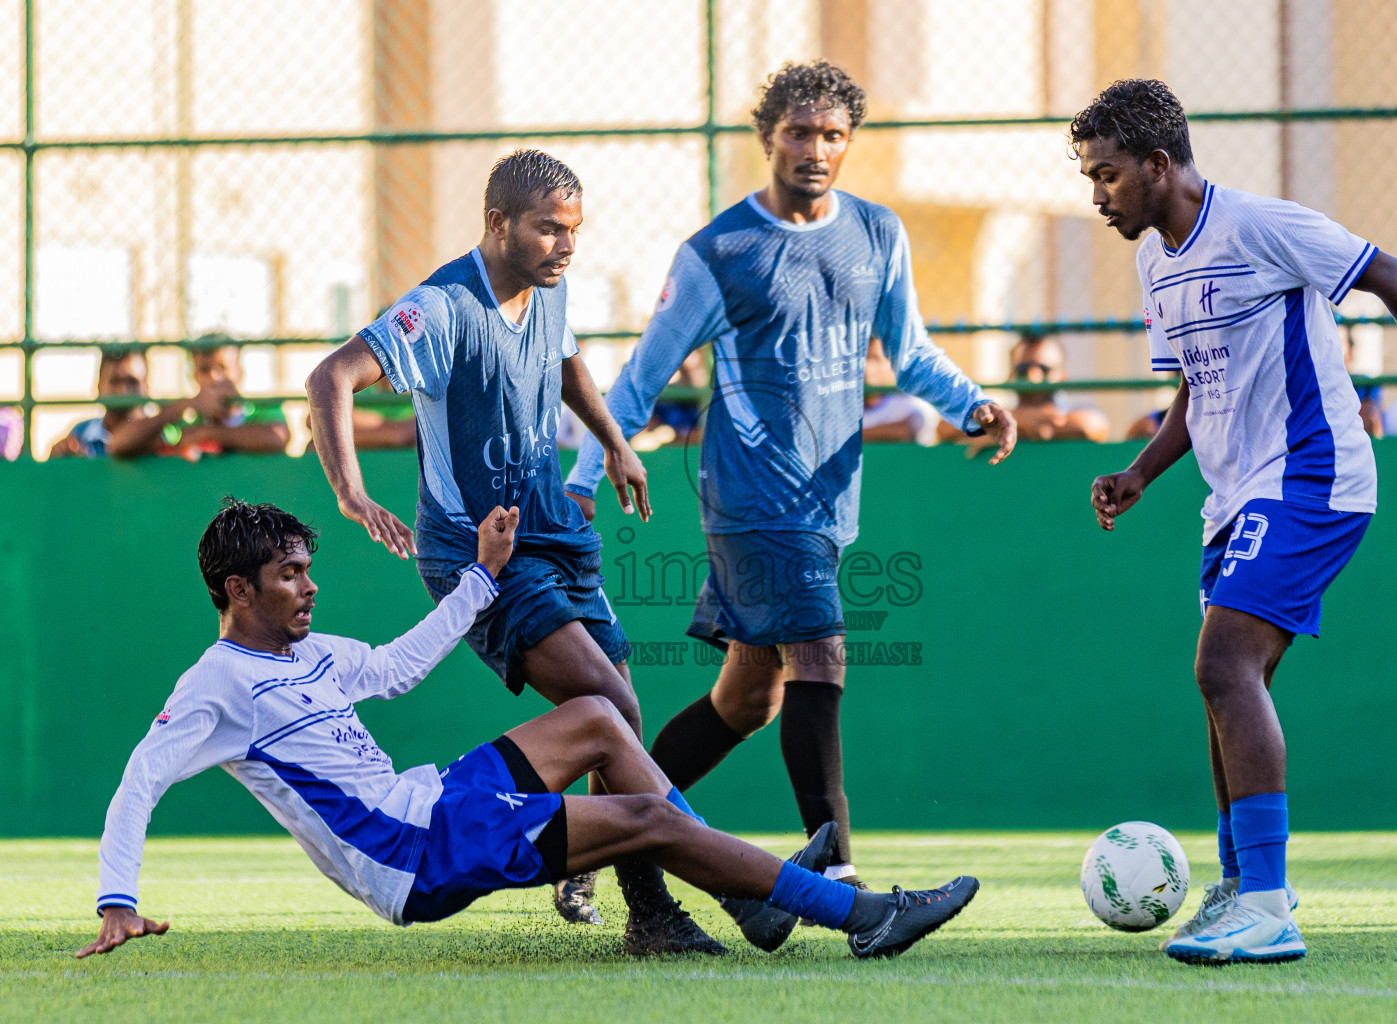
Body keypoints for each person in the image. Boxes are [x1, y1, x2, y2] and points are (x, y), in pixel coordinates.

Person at [79, 499, 977, 961]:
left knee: (595, 716)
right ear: (239, 591)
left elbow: (393, 668)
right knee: (653, 821)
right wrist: (117, 901)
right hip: (413, 854)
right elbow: (138, 781)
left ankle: (750, 896)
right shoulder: (215, 685)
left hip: (428, 800)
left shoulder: (310, 650)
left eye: (308, 571)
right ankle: (860, 915)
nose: (309, 587)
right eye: (290, 576)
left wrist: (483, 575)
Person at [1073, 79, 1397, 965]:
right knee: (1226, 683)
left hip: (1315, 474)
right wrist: (1141, 474)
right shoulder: (1155, 260)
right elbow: (1197, 386)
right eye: (1090, 176)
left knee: (1224, 664)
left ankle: (1269, 904)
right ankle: (1240, 887)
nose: (1097, 194)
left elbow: (1394, 275)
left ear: (1159, 165)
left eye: (1108, 175)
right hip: (1231, 498)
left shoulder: (1262, 225)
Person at [565, 61, 1016, 900]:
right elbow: (640, 378)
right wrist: (587, 473)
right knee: (822, 655)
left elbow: (908, 349)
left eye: (833, 135)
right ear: (767, 136)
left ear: (851, 143)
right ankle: (841, 880)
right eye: (800, 133)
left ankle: (598, 839)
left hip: (826, 502)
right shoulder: (718, 251)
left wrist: (973, 404)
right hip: (751, 497)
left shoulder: (879, 233)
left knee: (745, 702)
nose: (815, 148)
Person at [304, 150, 716, 955]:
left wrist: (614, 442)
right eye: (548, 229)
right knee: (612, 707)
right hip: (480, 552)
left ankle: (612, 872)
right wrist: (351, 494)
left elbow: (564, 363)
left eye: (574, 230)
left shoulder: (547, 290)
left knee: (618, 710)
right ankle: (667, 905)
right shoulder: (444, 304)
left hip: (552, 528)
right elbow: (332, 377)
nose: (566, 246)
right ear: (497, 224)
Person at [1003, 333, 1110, 443]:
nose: (1032, 377)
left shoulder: (1001, 423)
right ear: (1011, 375)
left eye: (1044, 369)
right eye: (1023, 369)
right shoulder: (995, 419)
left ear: (1063, 376)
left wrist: (1015, 423)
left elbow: (1092, 425)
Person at [48, 349, 151, 459]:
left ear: (146, 386)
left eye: (132, 381)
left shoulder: (161, 436)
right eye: (114, 381)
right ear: (99, 386)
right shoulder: (80, 434)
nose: (122, 390)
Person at [861, 339, 938, 444]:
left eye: (875, 359)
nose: (867, 368)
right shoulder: (840, 407)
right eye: (861, 360)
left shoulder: (909, 402)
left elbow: (907, 430)